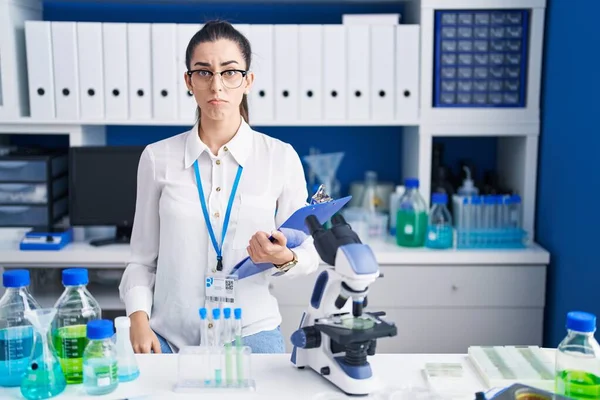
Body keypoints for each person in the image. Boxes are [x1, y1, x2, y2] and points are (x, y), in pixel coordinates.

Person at [118, 20, 320, 354]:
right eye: (203, 72)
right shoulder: (157, 158)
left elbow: (309, 250)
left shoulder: (280, 157)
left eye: (229, 72)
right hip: (169, 336)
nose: (217, 86)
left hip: (251, 331)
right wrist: (138, 319)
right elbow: (141, 260)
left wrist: (284, 257)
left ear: (248, 80)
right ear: (188, 81)